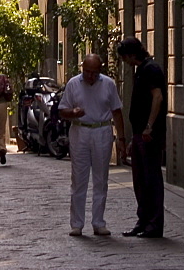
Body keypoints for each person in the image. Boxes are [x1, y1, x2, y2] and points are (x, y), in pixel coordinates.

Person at [58, 53, 126, 237]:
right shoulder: (73, 83)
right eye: (87, 71)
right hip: (80, 131)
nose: (90, 76)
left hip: (102, 131)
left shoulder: (108, 84)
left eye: (94, 73)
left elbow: (117, 111)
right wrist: (73, 112)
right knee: (79, 179)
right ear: (82, 68)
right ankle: (77, 224)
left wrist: (121, 139)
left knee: (101, 179)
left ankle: (98, 222)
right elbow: (62, 111)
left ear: (100, 71)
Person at [117, 36, 166, 239]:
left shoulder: (151, 69)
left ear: (130, 54)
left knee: (151, 179)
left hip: (148, 135)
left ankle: (153, 224)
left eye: (124, 57)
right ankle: (143, 221)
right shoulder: (141, 70)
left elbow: (158, 97)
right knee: (140, 179)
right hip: (140, 134)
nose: (124, 62)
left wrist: (149, 127)